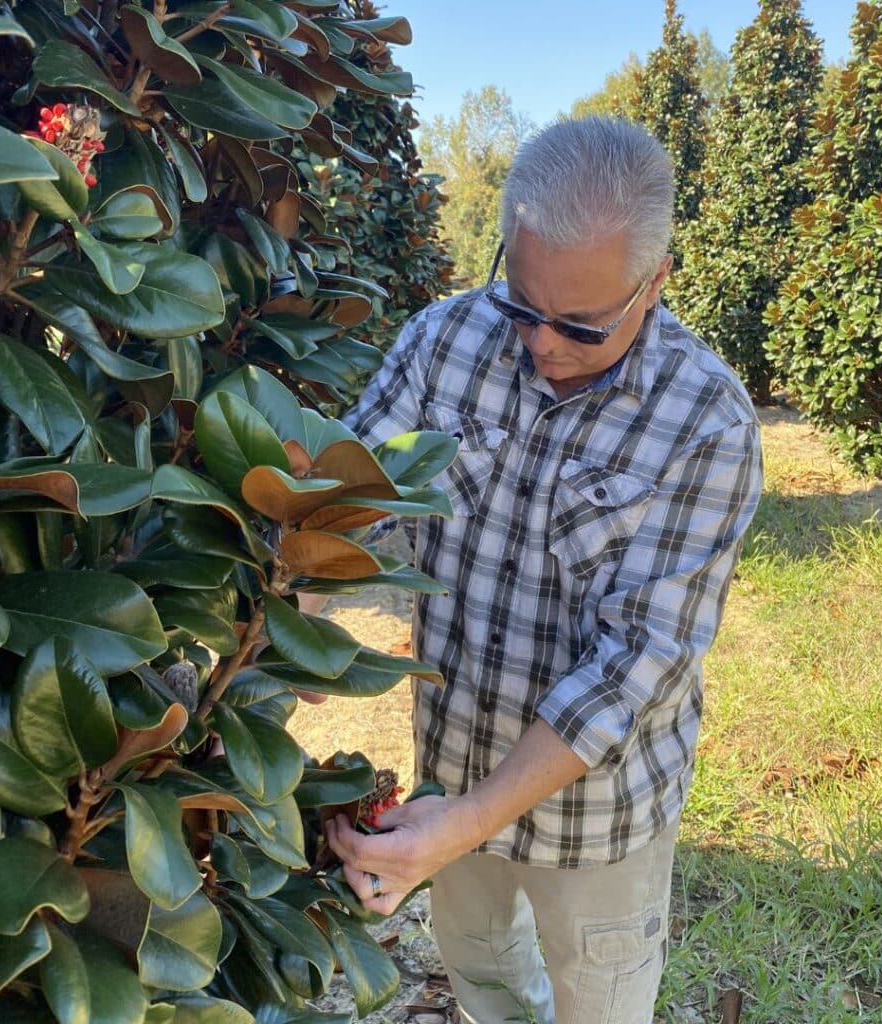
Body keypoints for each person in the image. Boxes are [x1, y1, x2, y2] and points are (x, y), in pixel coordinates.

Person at [324, 116, 763, 1024]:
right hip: (452, 758)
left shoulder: (708, 426)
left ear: (656, 280)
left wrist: (468, 820)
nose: (541, 344)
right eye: (522, 305)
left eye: (581, 325)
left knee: (598, 1001)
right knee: (482, 972)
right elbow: (348, 502)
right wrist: (294, 611)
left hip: (601, 818)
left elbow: (632, 664)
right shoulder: (442, 342)